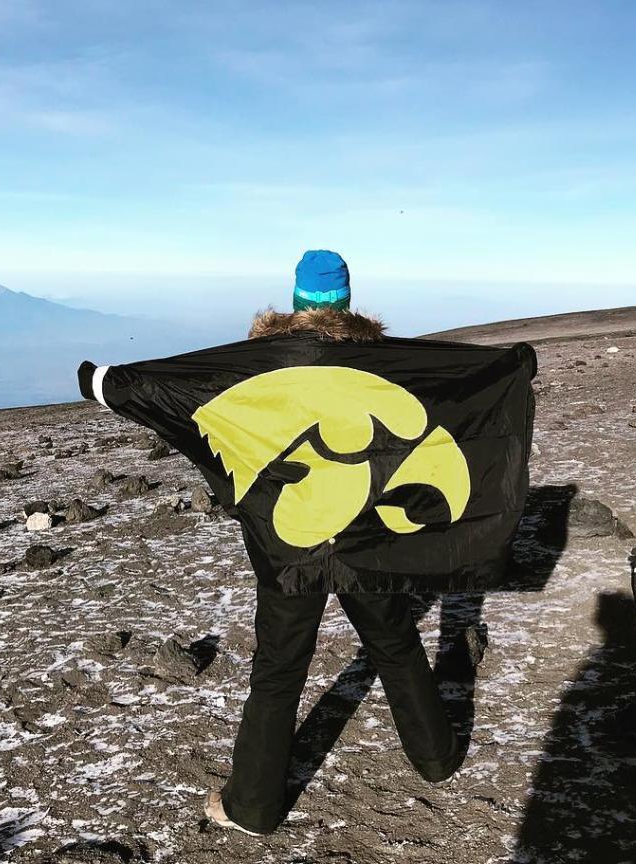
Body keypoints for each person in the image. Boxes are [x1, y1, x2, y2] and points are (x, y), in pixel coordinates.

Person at [201, 250, 463, 835]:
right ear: (346, 300)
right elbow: (439, 404)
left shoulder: (259, 364)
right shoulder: (379, 360)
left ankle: (253, 807)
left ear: (296, 300)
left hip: (289, 542)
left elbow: (203, 410)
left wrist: (107, 384)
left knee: (277, 669)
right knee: (394, 643)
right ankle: (437, 758)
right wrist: (513, 366)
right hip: (367, 535)